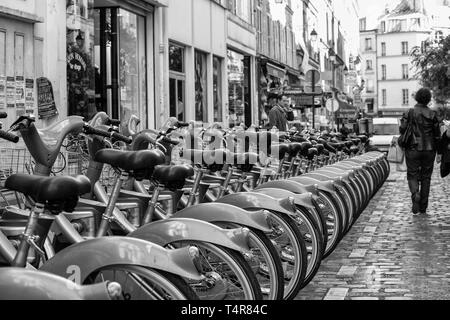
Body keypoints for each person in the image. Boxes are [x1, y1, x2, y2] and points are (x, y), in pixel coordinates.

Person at [399, 88, 442, 215]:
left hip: (412, 148)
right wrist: (439, 152)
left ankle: (415, 194)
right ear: (428, 99)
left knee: (412, 174)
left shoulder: (410, 112)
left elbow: (402, 129)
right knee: (426, 177)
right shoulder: (432, 114)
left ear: (417, 97)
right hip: (429, 149)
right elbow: (437, 135)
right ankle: (423, 206)